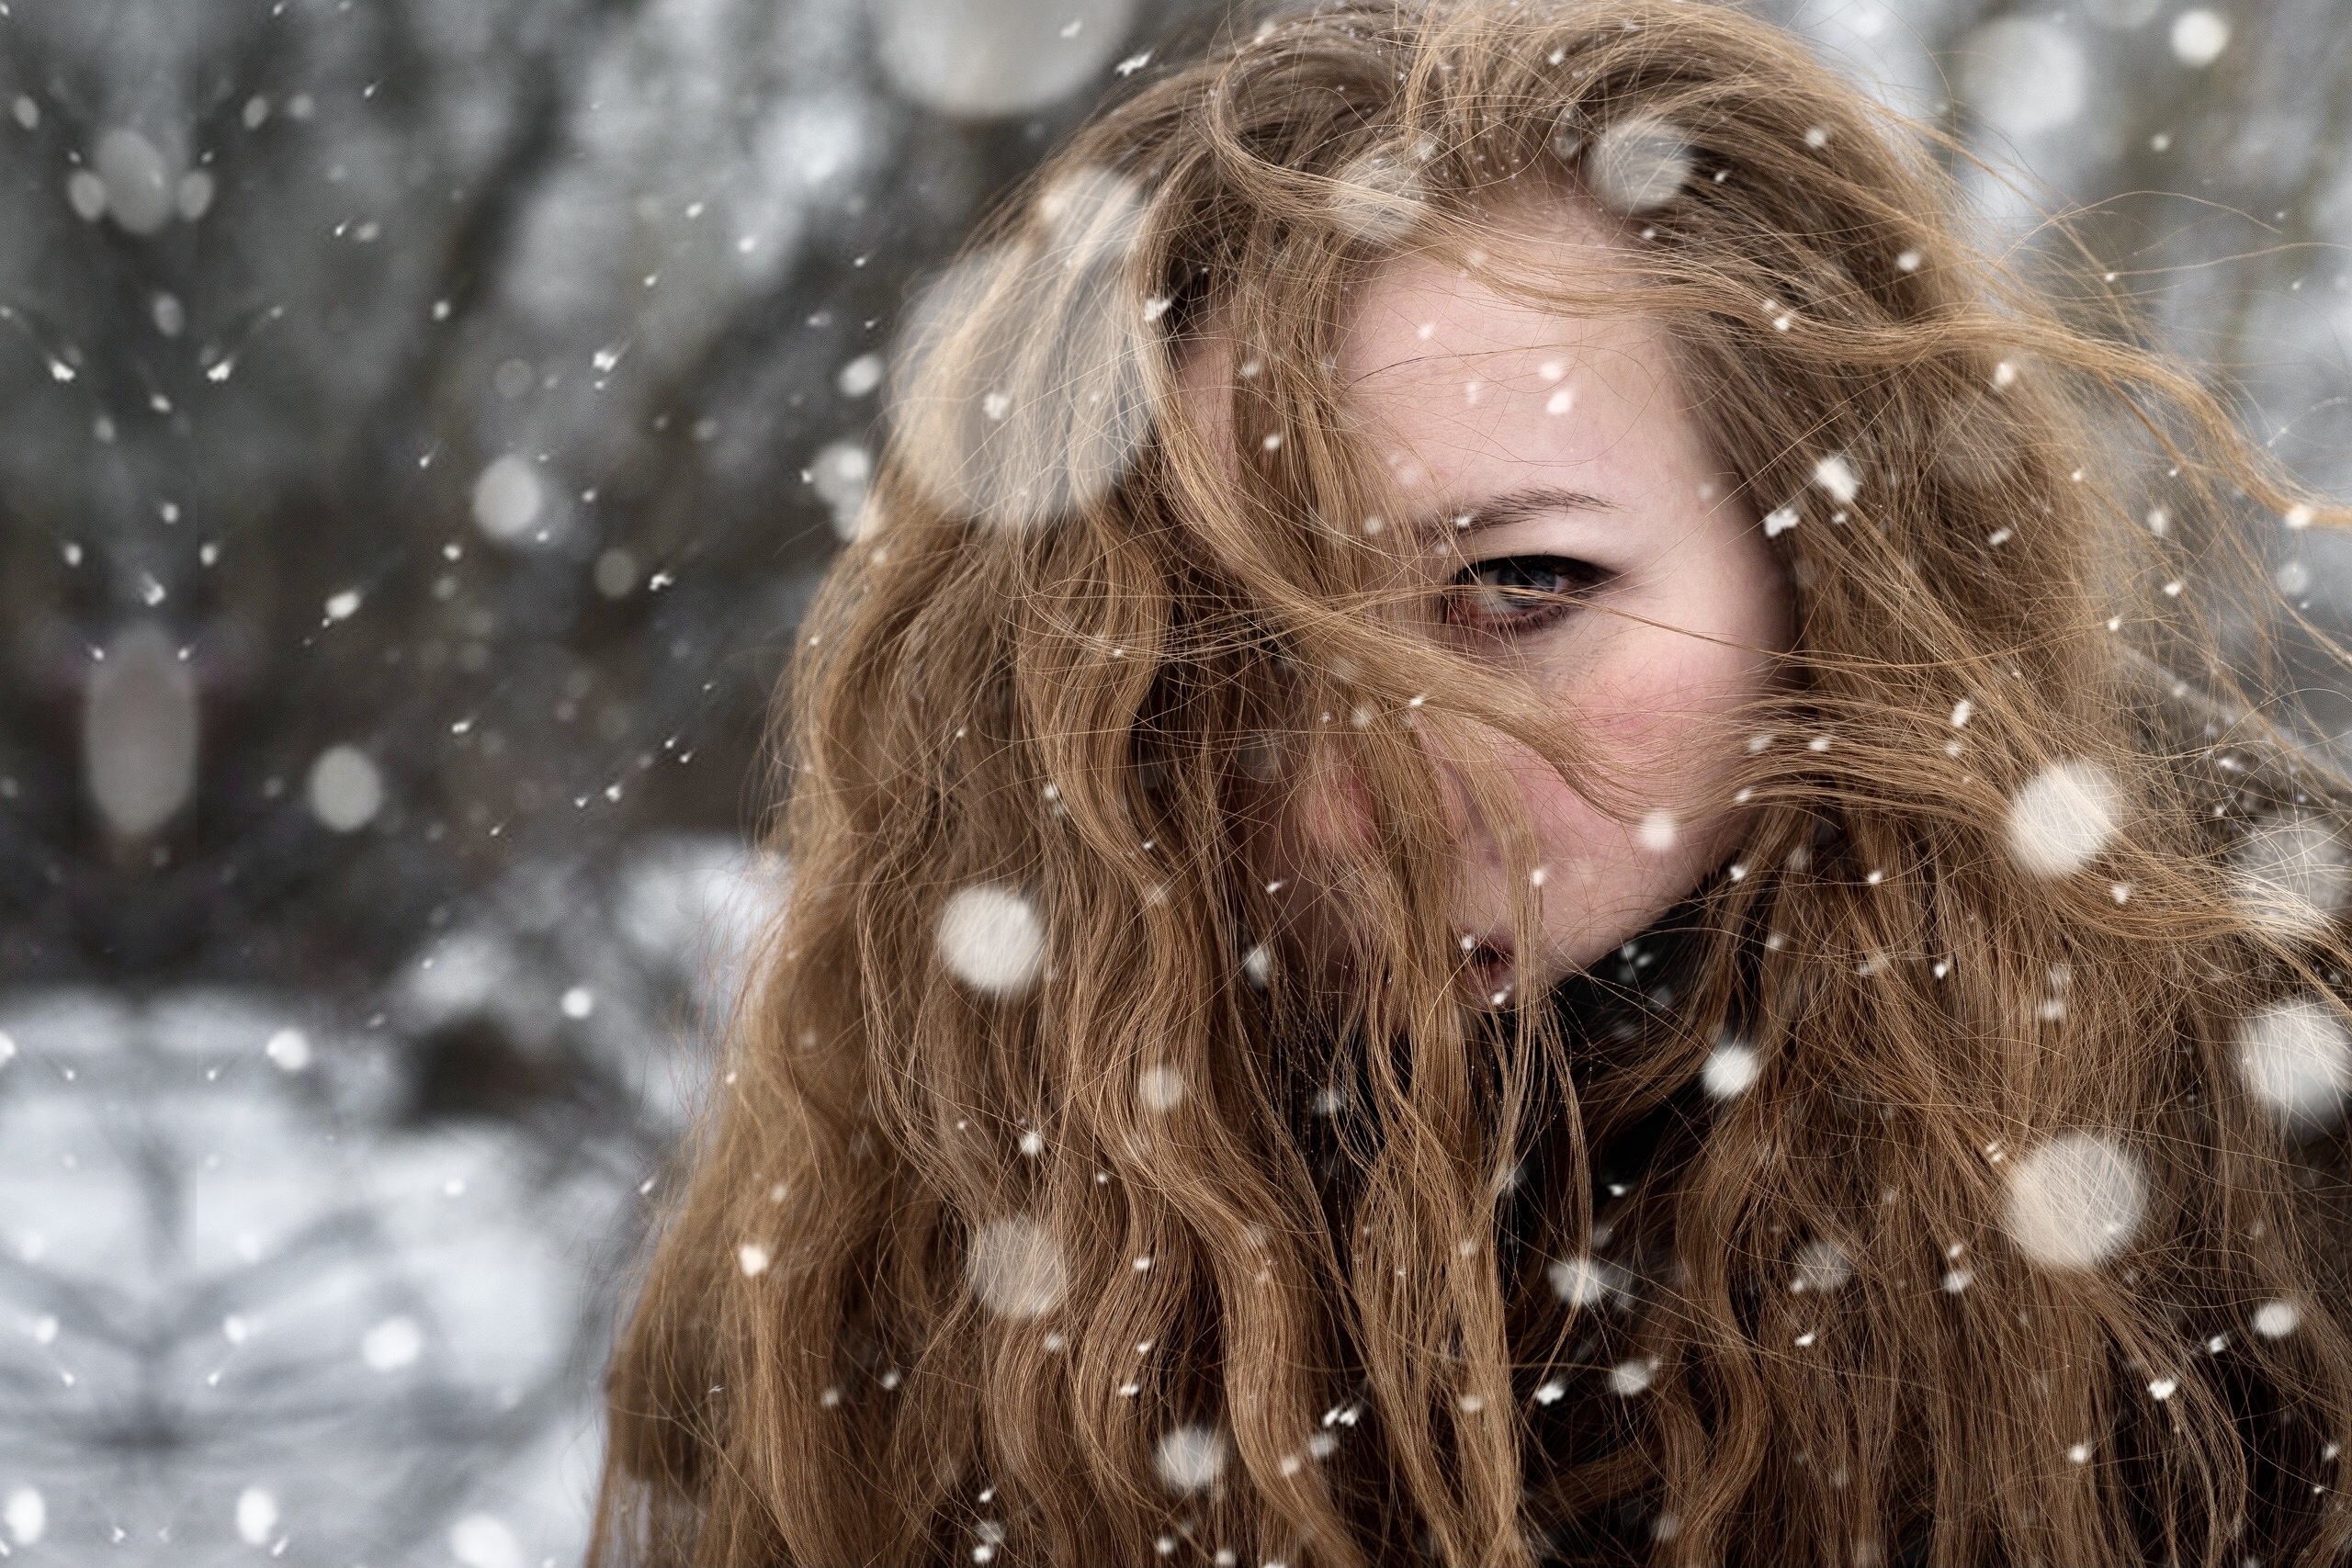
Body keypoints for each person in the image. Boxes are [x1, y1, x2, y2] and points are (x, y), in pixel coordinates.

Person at [591, 3, 2352, 1562]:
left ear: (1828, 564)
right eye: (1211, 661)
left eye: (1518, 590)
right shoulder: (929, 1201)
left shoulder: (2271, 1165)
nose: (1356, 797)